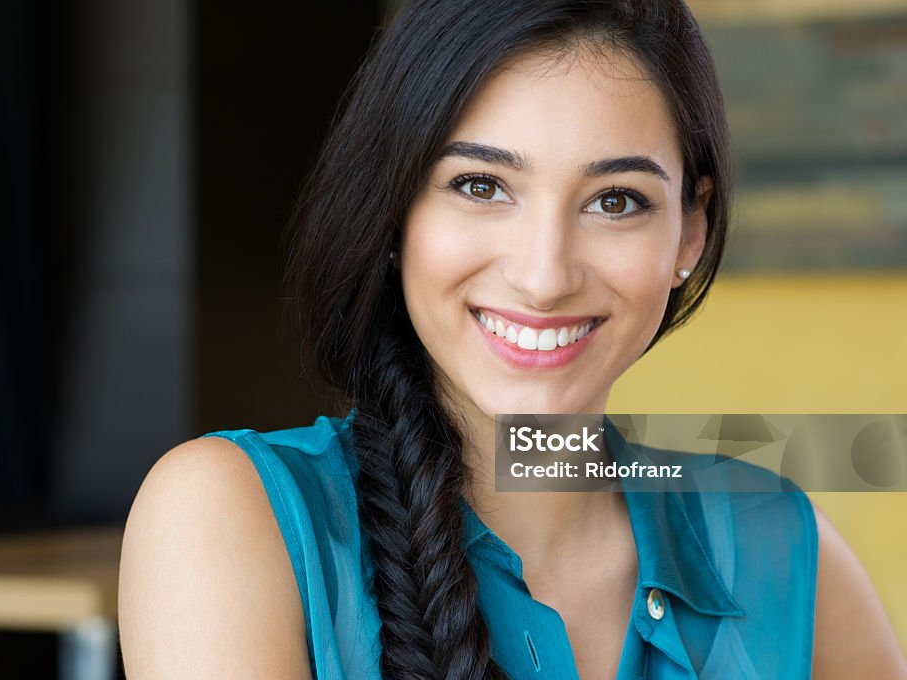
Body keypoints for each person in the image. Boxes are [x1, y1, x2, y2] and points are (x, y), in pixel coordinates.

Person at [118, 1, 907, 677]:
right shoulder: (229, 516)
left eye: (616, 201)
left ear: (689, 234)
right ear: (394, 214)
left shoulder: (781, 547)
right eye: (481, 186)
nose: (543, 276)